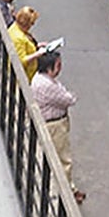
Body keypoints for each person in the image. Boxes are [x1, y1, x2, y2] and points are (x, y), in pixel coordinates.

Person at [31, 51, 85, 204]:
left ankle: (69, 189)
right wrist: (71, 94)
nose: (60, 68)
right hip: (55, 125)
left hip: (51, 122)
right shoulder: (48, 85)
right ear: (50, 68)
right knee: (64, 160)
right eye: (58, 65)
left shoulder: (39, 78)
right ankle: (66, 193)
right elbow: (68, 99)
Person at [7, 6, 43, 82]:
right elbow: (21, 60)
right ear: (26, 23)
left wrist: (37, 45)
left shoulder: (16, 28)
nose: (32, 25)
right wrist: (37, 54)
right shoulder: (18, 38)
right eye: (31, 23)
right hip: (24, 78)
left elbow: (26, 46)